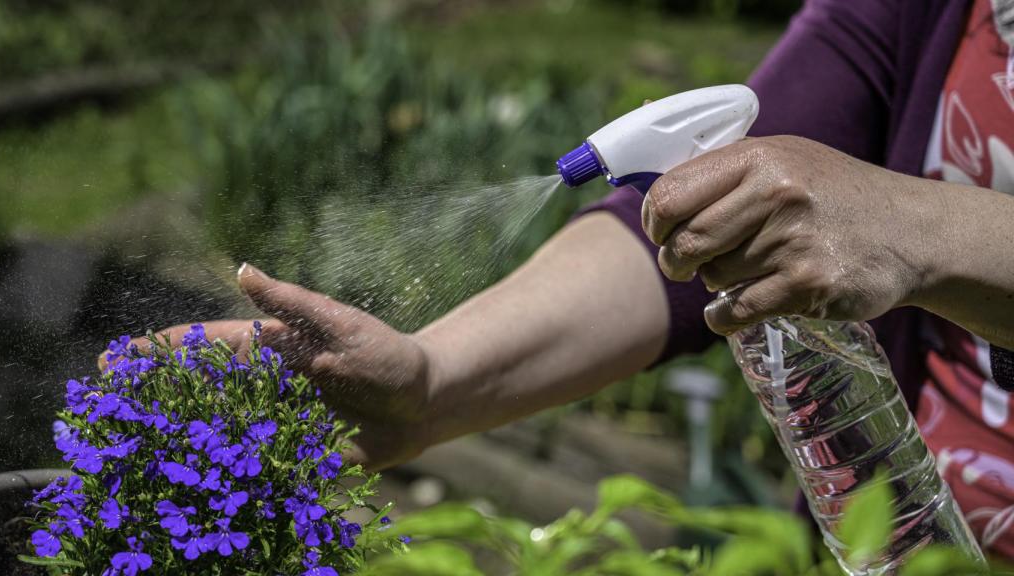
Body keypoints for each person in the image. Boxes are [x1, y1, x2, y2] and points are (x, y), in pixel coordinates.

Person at [133, 0, 1014, 557]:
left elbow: (874, 218)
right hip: (900, 535)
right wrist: (434, 383)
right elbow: (682, 225)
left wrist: (923, 223)